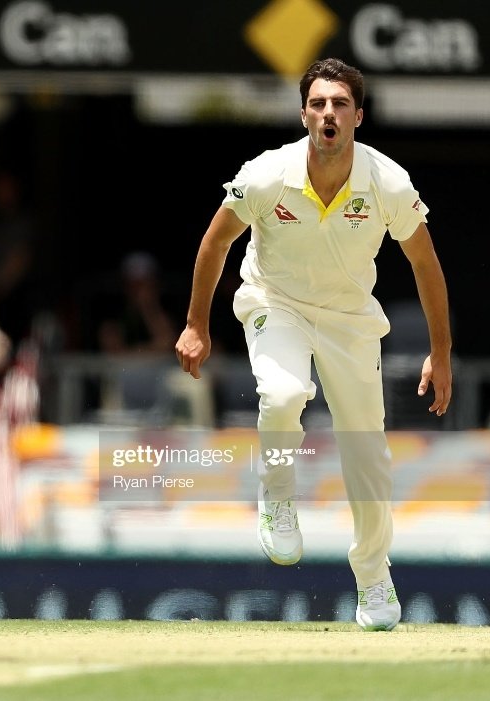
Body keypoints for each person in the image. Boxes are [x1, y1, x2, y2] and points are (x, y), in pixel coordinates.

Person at [173, 58, 452, 632]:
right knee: (282, 393)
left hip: (350, 319)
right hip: (276, 303)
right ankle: (277, 492)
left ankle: (373, 577)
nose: (329, 113)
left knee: (367, 455)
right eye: (319, 104)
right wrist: (197, 324)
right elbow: (215, 244)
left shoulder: (388, 183)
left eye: (340, 104)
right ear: (304, 114)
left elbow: (426, 265)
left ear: (358, 117)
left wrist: (441, 353)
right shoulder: (266, 174)